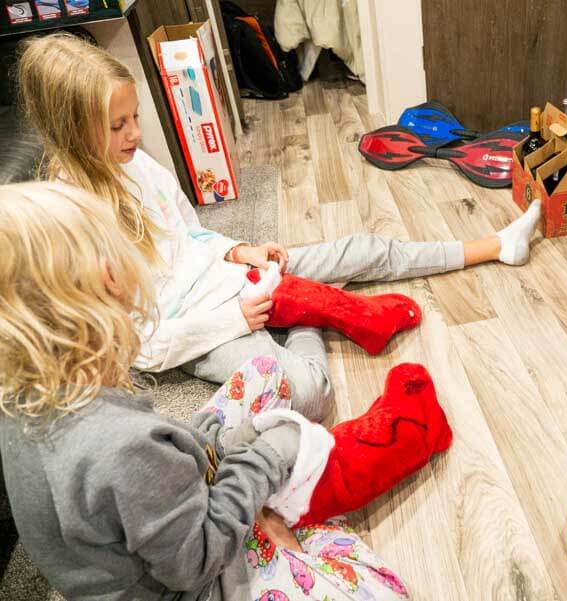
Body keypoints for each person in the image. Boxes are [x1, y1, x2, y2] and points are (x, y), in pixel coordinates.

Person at [17, 33, 542, 422]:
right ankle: (307, 313)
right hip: (199, 328)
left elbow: (190, 235)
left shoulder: (136, 162)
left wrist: (239, 250)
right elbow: (141, 347)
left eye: (134, 118)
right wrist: (242, 320)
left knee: (362, 249)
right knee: (310, 395)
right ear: (74, 128)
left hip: (227, 280)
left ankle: (496, 245)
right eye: (118, 126)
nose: (135, 133)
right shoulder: (72, 222)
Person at [0, 181, 410, 601]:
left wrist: (215, 446)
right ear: (108, 281)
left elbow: (148, 466)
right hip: (198, 579)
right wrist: (265, 459)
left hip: (158, 516)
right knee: (376, 591)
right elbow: (196, 561)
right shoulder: (119, 446)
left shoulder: (25, 400)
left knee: (263, 371)